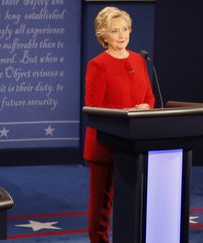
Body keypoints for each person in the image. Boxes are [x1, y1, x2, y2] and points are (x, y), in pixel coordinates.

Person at [83, 7, 155, 243]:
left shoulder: (138, 60)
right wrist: (127, 113)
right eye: (115, 31)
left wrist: (145, 107)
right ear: (104, 36)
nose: (122, 35)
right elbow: (93, 107)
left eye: (125, 29)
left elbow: (149, 97)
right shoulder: (98, 65)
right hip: (105, 145)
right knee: (101, 209)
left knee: (133, 202)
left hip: (134, 145)